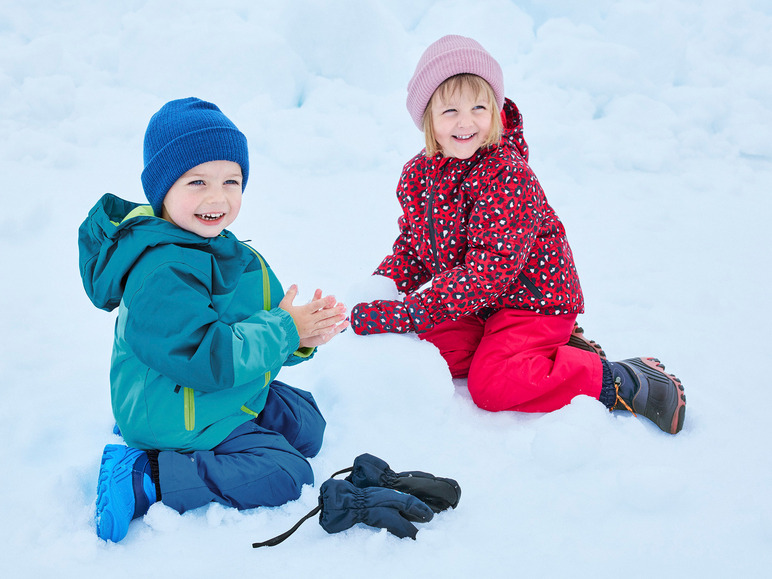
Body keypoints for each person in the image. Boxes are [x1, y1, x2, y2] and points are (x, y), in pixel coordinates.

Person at [350, 35, 686, 435]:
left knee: (492, 385)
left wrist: (407, 311)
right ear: (427, 119)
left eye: (479, 107)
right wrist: (379, 290)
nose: (466, 121)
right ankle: (543, 356)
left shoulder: (506, 174)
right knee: (427, 347)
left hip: (534, 302)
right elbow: (413, 249)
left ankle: (621, 379)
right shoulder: (418, 174)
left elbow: (488, 272)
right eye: (450, 110)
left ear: (495, 109)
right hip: (479, 304)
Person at [78, 97, 349, 543]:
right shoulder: (161, 271)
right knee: (287, 471)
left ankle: (216, 439)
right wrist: (285, 331)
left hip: (199, 388)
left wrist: (303, 331)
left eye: (231, 180)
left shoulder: (224, 250)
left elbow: (263, 319)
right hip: (173, 406)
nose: (217, 197)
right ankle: (148, 475)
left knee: (306, 425)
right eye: (197, 181)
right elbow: (206, 354)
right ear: (162, 190)